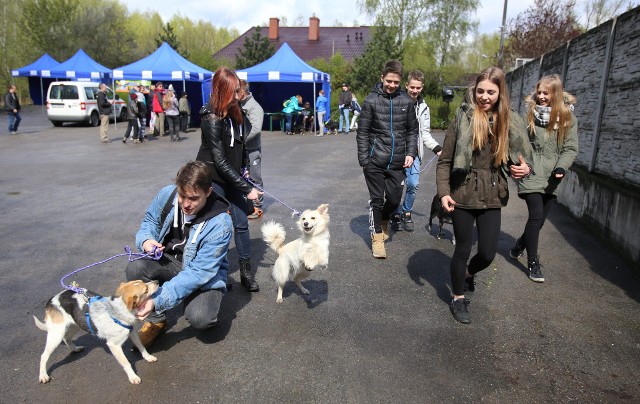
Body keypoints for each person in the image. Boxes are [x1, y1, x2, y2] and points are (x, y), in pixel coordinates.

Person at [436, 67, 534, 324]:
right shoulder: (462, 117)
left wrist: (526, 168)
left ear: (501, 92)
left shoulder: (510, 120)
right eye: (480, 91)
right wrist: (444, 193)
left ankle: (468, 274)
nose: (484, 96)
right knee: (462, 249)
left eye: (491, 92)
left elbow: (524, 157)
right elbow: (445, 161)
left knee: (488, 253)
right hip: (462, 192)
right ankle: (457, 298)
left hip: (492, 192)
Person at [126, 161, 232, 347]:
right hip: (170, 261)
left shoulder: (220, 224)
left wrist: (157, 300)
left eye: (193, 198)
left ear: (208, 192)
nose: (185, 204)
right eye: (182, 196)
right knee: (136, 267)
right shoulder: (168, 194)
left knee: (201, 319)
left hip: (201, 274)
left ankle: (198, 299)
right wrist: (146, 240)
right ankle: (156, 320)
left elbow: (198, 273)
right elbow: (150, 220)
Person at [197, 66, 262, 292]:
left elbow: (242, 144)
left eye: (240, 91)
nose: (240, 95)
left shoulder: (237, 111)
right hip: (214, 176)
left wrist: (245, 169)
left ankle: (245, 273)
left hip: (232, 175)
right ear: (223, 90)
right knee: (219, 227)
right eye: (235, 91)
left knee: (241, 223)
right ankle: (218, 274)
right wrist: (247, 189)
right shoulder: (211, 117)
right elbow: (219, 161)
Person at [510, 74, 579, 283]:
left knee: (539, 221)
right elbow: (519, 143)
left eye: (545, 93)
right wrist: (522, 163)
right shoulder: (530, 114)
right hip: (531, 170)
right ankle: (533, 263)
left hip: (552, 175)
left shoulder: (568, 119)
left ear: (555, 94)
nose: (540, 96)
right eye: (538, 92)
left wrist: (561, 167)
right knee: (536, 216)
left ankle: (520, 244)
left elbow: (570, 148)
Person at [356, 60, 418, 259]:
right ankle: (377, 239)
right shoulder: (371, 101)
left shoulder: (406, 102)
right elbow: (363, 132)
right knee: (376, 200)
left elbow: (412, 130)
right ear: (382, 77)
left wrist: (410, 153)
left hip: (397, 161)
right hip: (374, 161)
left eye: (396, 82)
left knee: (393, 198)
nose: (392, 85)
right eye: (389, 80)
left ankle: (384, 219)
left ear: (401, 82)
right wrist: (364, 160)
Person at [390, 70, 442, 232]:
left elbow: (424, 133)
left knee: (413, 184)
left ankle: (406, 212)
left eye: (418, 88)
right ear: (406, 85)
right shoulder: (396, 101)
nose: (414, 90)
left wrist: (437, 148)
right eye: (412, 87)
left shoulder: (424, 107)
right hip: (397, 152)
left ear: (422, 87)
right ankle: (394, 212)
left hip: (415, 154)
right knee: (396, 187)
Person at [239, 79, 265, 219]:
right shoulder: (240, 104)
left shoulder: (254, 107)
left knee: (255, 178)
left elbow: (256, 129)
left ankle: (257, 207)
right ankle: (245, 205)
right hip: (242, 149)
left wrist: (242, 141)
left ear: (242, 92)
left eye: (237, 91)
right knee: (242, 177)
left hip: (252, 149)